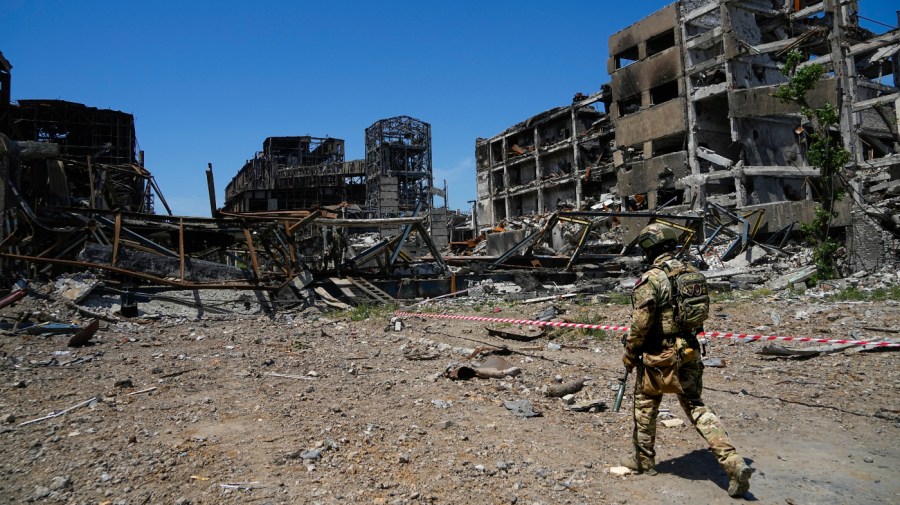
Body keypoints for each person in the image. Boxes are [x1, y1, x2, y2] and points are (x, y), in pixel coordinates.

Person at [621, 222, 753, 498]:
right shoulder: (693, 275)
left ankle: (644, 463)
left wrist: (630, 353)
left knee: (645, 406)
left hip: (659, 356)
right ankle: (733, 462)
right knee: (696, 407)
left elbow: (640, 324)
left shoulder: (652, 279)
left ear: (649, 249)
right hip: (690, 351)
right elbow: (698, 316)